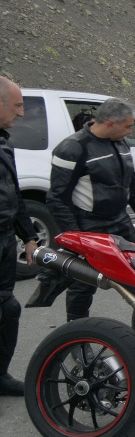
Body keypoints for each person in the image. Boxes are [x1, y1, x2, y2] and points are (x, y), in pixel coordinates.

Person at [46, 97, 135, 323]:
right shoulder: (73, 148)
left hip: (120, 220)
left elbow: (131, 181)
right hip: (89, 224)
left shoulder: (121, 142)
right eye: (127, 126)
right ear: (110, 124)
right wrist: (74, 236)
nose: (130, 131)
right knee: (84, 284)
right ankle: (76, 335)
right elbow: (56, 197)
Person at [0, 77, 38, 396]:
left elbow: (15, 194)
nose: (23, 113)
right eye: (17, 106)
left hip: (4, 242)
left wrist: (28, 235)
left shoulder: (4, 142)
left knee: (8, 308)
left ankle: (0, 376)